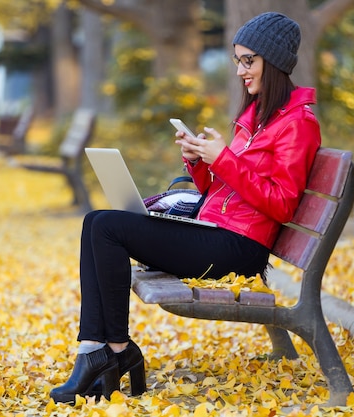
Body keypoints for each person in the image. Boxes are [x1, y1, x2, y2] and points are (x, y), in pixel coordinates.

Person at [49, 12, 321, 404]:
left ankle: (113, 353)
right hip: (215, 233)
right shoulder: (257, 118)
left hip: (238, 249)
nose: (241, 70)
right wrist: (201, 161)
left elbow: (282, 205)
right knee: (96, 222)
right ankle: (98, 349)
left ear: (273, 62)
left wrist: (224, 158)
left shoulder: (298, 123)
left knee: (107, 226)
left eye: (249, 60)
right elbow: (223, 191)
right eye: (238, 60)